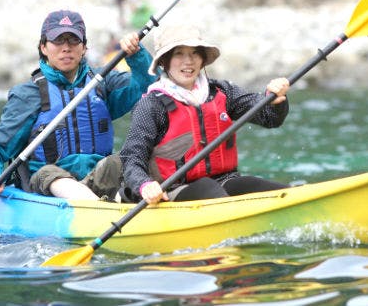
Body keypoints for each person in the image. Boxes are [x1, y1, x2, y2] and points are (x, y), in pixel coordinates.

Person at [0, 9, 157, 202]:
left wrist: (137, 55)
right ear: (44, 47)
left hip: (97, 178)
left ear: (84, 48)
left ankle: (119, 202)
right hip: (47, 186)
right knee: (50, 173)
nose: (66, 48)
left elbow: (149, 85)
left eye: (73, 41)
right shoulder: (28, 96)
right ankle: (97, 207)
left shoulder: (102, 83)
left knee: (124, 159)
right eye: (58, 41)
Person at [119, 23, 291, 204]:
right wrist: (144, 185)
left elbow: (269, 117)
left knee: (264, 188)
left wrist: (275, 100)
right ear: (164, 61)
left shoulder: (222, 92)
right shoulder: (151, 105)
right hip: (173, 190)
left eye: (194, 53)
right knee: (208, 189)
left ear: (202, 59)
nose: (188, 61)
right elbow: (132, 157)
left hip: (224, 181)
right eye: (179, 53)